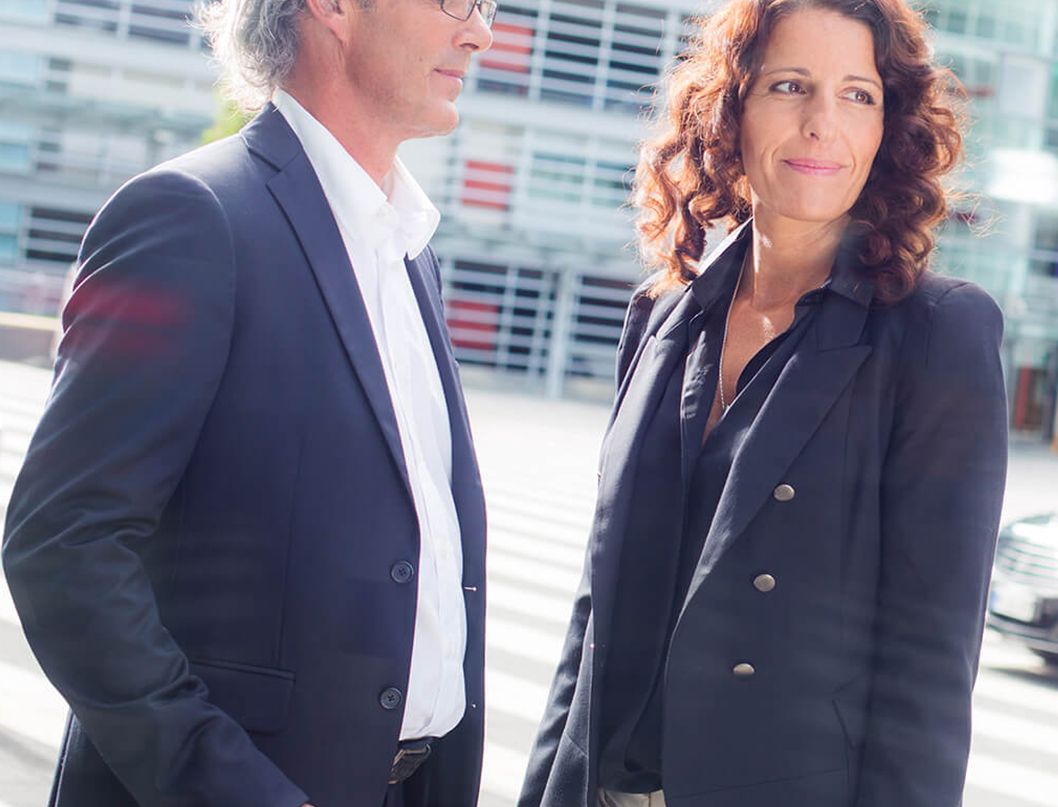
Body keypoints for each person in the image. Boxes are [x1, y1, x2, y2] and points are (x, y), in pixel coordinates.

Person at [0, 0, 495, 801]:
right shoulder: (191, 216)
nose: (480, 31)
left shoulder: (410, 251)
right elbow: (65, 546)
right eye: (455, 1)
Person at [518, 0, 1006, 805]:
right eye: (790, 86)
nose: (823, 124)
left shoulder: (936, 333)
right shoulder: (661, 313)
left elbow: (930, 666)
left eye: (858, 94)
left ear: (891, 128)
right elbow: (596, 612)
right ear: (732, 110)